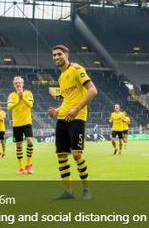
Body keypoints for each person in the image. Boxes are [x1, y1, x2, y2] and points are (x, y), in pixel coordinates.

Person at [47, 44, 97, 200]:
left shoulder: (76, 69)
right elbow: (67, 100)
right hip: (63, 118)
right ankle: (68, 191)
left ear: (66, 55)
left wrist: (76, 110)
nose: (56, 57)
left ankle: (86, 189)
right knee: (61, 155)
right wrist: (57, 110)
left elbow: (93, 91)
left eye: (59, 54)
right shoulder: (61, 78)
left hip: (77, 117)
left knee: (76, 155)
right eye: (54, 55)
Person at [7, 76, 35, 174]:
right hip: (16, 124)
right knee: (18, 145)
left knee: (30, 141)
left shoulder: (28, 93)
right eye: (16, 83)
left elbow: (30, 105)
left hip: (27, 122)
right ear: (14, 85)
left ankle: (28, 165)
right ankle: (20, 167)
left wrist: (22, 97)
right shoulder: (11, 95)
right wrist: (18, 100)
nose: (18, 84)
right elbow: (9, 107)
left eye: (19, 83)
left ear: (23, 84)